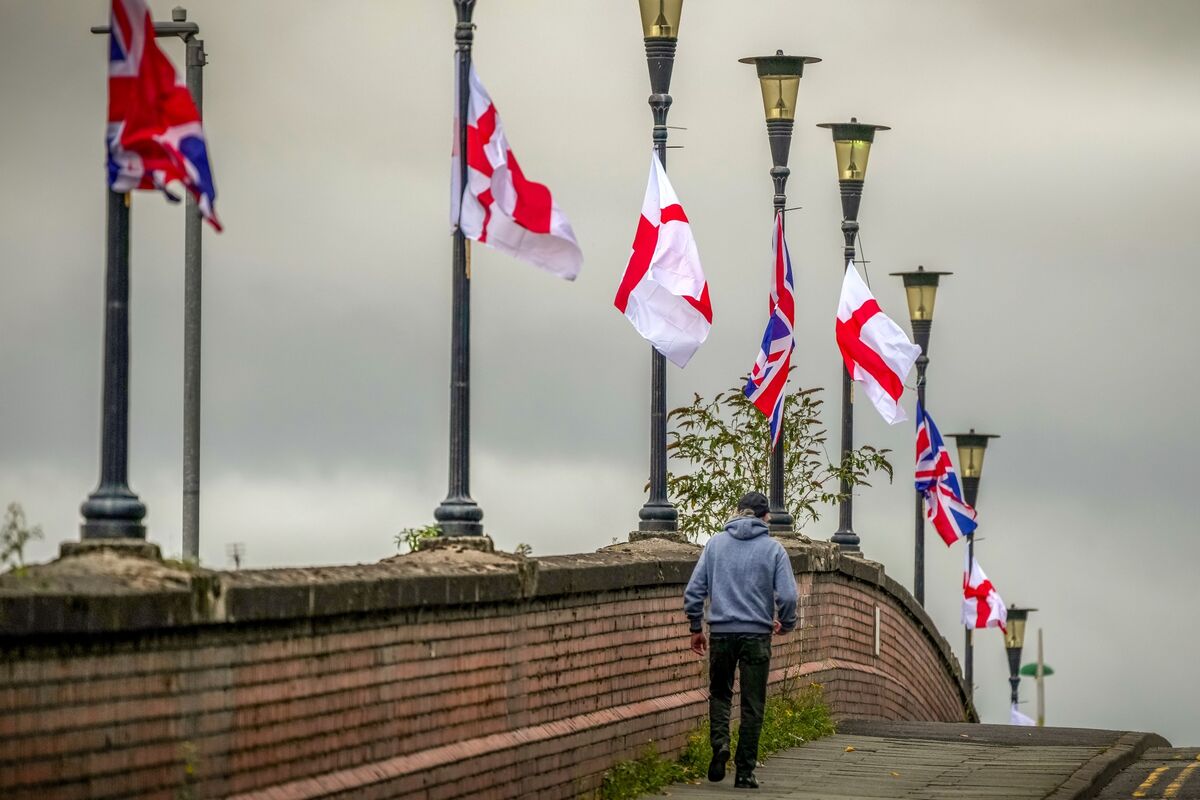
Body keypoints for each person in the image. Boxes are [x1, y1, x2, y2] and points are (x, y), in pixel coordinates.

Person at [683, 490, 797, 789]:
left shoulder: (715, 545)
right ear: (765, 518)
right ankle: (745, 772)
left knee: (720, 694)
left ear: (737, 512)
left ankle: (720, 745)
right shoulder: (773, 550)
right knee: (752, 703)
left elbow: (694, 591)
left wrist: (697, 627)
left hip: (721, 633)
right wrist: (786, 623)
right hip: (757, 635)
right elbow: (787, 595)